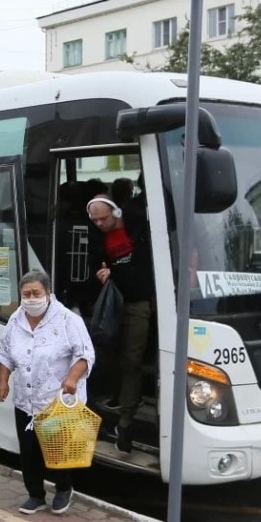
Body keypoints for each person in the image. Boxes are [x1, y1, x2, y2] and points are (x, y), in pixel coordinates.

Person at [0, 270, 95, 514]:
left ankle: (63, 489)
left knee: (57, 448)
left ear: (48, 293)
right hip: (25, 399)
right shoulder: (16, 319)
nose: (30, 299)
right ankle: (35, 495)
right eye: (26, 294)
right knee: (29, 451)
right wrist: (3, 381)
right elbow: (5, 353)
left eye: (35, 293)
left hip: (56, 399)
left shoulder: (67, 320)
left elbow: (85, 353)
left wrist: (72, 378)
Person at [87, 194, 154, 454]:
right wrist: (100, 274)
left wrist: (118, 273)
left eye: (103, 218)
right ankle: (108, 404)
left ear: (115, 213)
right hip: (111, 302)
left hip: (137, 302)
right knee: (104, 353)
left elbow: (145, 266)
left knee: (132, 359)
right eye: (95, 219)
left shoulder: (137, 224)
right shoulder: (96, 234)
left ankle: (125, 423)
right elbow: (95, 265)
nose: (100, 223)